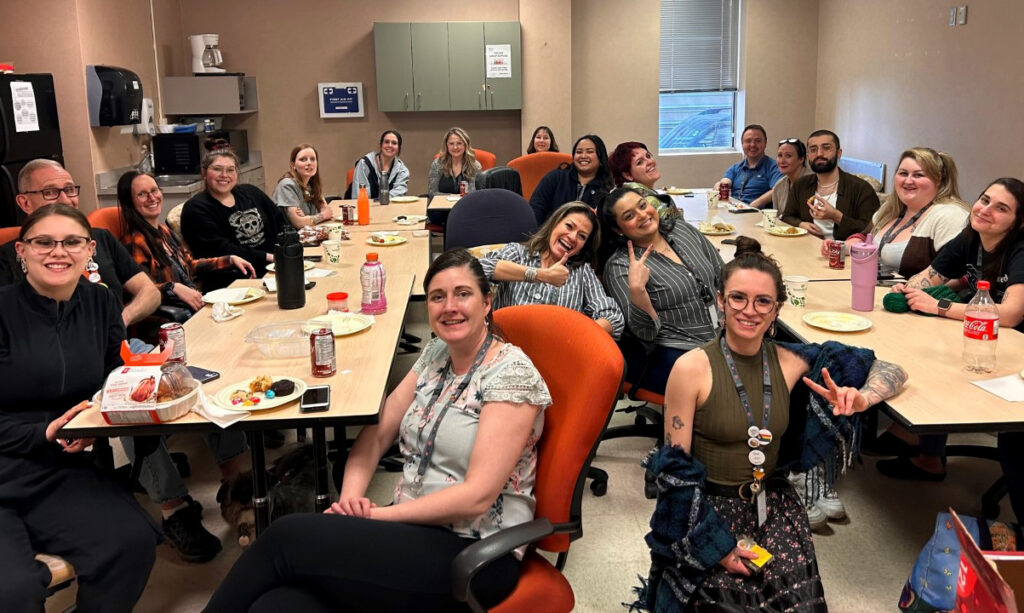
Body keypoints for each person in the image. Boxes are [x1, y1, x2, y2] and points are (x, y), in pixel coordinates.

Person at [206, 248, 552, 612]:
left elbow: (476, 497)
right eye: (438, 296)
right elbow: (377, 433)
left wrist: (373, 517)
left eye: (462, 293)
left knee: (283, 539)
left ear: (486, 302)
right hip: (412, 530)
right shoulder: (436, 355)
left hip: (475, 553)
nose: (449, 306)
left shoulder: (511, 374)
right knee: (279, 605)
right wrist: (349, 503)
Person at [634, 237, 907, 611]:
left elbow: (887, 367)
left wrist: (864, 397)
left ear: (777, 308)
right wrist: (717, 546)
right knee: (723, 600)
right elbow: (673, 472)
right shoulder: (691, 368)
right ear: (719, 300)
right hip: (707, 508)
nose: (750, 310)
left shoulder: (791, 361)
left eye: (763, 301)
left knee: (797, 603)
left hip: (772, 503)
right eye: (737, 298)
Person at [0, 203, 160, 611]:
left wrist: (94, 419)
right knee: (13, 590)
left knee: (130, 542)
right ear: (21, 251)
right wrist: (44, 431)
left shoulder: (100, 302)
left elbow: (112, 373)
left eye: (72, 242)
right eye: (43, 243)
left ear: (90, 250)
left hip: (56, 467)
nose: (59, 252)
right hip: (7, 458)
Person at [117, 169, 254, 562]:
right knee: (200, 376)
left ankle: (236, 481)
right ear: (129, 202)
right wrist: (169, 288)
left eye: (155, 191)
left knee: (223, 373)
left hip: (186, 320)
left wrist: (226, 259)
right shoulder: (132, 241)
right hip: (157, 331)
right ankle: (176, 510)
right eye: (141, 194)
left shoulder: (163, 232)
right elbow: (141, 288)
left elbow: (189, 265)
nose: (151, 198)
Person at [878, 178, 1024, 495]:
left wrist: (940, 305)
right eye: (984, 200)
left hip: (1014, 352)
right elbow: (933, 274)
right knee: (924, 350)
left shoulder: (1020, 249)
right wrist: (910, 288)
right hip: (981, 338)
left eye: (1001, 208)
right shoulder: (971, 236)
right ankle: (928, 456)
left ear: (1018, 222)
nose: (986, 210)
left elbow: (1011, 314)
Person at [0, 159, 160, 329]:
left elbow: (150, 292)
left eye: (69, 190)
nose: (65, 200)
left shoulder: (101, 237)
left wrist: (121, 320)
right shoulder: (7, 258)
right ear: (25, 203)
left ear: (90, 248)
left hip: (122, 346)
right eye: (50, 192)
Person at [601, 185, 724, 395]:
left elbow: (722, 274)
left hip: (723, 335)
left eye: (643, 205)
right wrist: (638, 290)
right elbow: (644, 334)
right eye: (630, 216)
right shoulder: (621, 266)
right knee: (741, 382)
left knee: (788, 363)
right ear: (618, 230)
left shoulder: (682, 230)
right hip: (675, 352)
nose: (642, 215)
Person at [478, 202, 624, 338]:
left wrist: (576, 336)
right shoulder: (519, 253)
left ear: (582, 247)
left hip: (555, 354)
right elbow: (477, 269)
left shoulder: (582, 272)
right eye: (569, 226)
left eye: (582, 236)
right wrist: (540, 274)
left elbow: (613, 317)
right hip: (505, 348)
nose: (572, 237)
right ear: (554, 224)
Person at [834, 148, 968, 278]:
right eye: (903, 173)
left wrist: (916, 289)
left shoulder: (950, 215)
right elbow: (865, 237)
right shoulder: (891, 207)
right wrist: (840, 247)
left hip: (915, 297)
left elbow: (960, 275)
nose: (908, 181)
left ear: (938, 180)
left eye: (918, 175)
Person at [181, 149, 287, 285]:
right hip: (234, 279)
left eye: (230, 170)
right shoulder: (195, 209)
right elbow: (222, 249)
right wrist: (269, 257)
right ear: (204, 172)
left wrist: (288, 250)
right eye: (217, 169)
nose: (224, 175)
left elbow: (279, 221)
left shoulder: (251, 192)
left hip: (273, 268)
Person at [779, 129, 880, 240]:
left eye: (826, 148)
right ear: (808, 156)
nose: (819, 154)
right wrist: (801, 225)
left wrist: (836, 216)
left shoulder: (861, 189)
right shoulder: (801, 185)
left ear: (839, 153)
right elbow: (787, 217)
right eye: (813, 150)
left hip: (844, 253)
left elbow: (872, 230)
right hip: (806, 248)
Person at [530, 134, 613, 225]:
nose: (583, 156)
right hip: (548, 235)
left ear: (601, 159)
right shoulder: (555, 178)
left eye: (589, 152)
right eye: (579, 152)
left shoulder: (607, 191)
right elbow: (535, 210)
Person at [714, 124, 783, 207]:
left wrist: (755, 204)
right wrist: (719, 186)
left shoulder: (774, 167)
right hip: (733, 211)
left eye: (757, 141)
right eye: (748, 141)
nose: (753, 145)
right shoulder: (735, 168)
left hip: (757, 214)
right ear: (742, 144)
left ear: (765, 143)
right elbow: (725, 181)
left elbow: (778, 189)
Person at [273, 144, 334, 228]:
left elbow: (327, 210)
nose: (309, 163)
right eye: (303, 159)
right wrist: (321, 216)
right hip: (291, 239)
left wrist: (307, 218)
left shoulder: (311, 184)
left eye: (312, 159)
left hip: (309, 234)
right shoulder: (287, 185)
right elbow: (298, 223)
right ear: (293, 165)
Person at [348, 130, 410, 199]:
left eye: (394, 143)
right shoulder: (364, 164)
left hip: (390, 208)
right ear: (380, 145)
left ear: (398, 148)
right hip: (365, 207)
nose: (390, 145)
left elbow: (399, 194)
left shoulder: (402, 170)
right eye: (386, 142)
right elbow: (359, 196)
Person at [427, 127, 481, 201]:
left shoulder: (474, 166)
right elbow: (432, 193)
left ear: (465, 145)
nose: (455, 147)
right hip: (441, 209)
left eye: (459, 143)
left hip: (466, 208)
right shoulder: (437, 164)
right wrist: (454, 197)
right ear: (446, 145)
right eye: (451, 144)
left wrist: (452, 198)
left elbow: (474, 194)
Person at [771, 138, 812, 211]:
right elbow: (776, 218)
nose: (782, 161)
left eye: (788, 156)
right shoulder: (778, 186)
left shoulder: (813, 182)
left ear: (801, 159)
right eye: (780, 155)